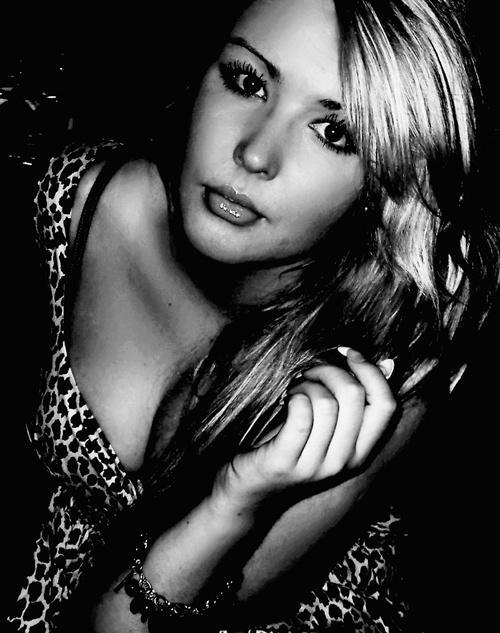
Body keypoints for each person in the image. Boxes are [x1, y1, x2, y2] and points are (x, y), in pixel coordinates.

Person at [7, 0, 499, 631]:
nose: (256, 154)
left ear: (386, 183)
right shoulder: (74, 207)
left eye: (335, 133)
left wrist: (235, 503)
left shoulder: (393, 342)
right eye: (248, 82)